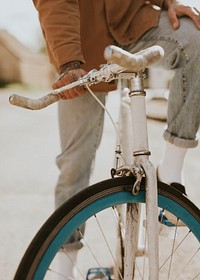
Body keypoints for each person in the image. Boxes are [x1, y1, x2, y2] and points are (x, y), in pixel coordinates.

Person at [33, 0, 200, 278]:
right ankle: (65, 269)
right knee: (75, 161)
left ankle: (170, 171)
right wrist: (68, 61)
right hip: (80, 49)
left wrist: (169, 2)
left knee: (195, 40)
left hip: (133, 26)